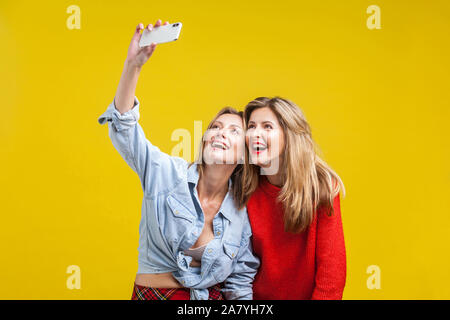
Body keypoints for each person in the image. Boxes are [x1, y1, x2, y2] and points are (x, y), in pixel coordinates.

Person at [97, 20, 259, 300]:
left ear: (244, 154)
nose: (221, 133)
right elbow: (124, 127)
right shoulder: (165, 172)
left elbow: (240, 285)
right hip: (153, 294)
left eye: (234, 131)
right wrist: (133, 65)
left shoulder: (241, 212)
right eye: (216, 127)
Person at [242, 96, 346, 299]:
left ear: (289, 136)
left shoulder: (321, 186)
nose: (255, 134)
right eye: (252, 126)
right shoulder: (246, 186)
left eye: (267, 127)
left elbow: (331, 276)